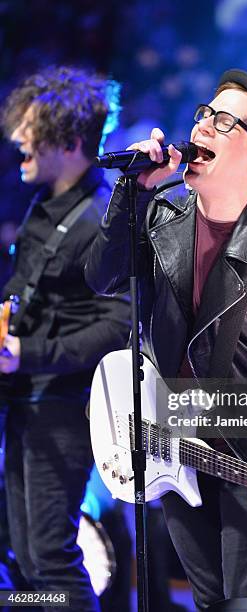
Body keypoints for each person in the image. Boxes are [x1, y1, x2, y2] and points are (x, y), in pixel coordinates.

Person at [85, 67, 247, 610]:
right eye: (205, 113)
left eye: (224, 123)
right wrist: (131, 191)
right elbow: (101, 277)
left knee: (244, 600)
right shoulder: (164, 210)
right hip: (176, 445)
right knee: (206, 599)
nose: (202, 128)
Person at [0, 66, 130, 612]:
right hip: (27, 398)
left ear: (70, 141)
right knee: (26, 559)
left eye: (28, 128)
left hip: (64, 405)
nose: (16, 140)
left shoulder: (103, 216)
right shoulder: (43, 206)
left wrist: (28, 352)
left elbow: (117, 325)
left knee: (52, 558)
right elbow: (24, 291)